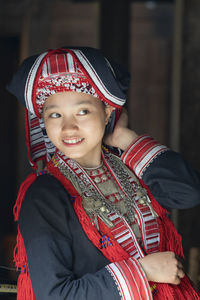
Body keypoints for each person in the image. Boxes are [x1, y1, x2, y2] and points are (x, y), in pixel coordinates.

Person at [7, 47, 200, 300]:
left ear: (107, 111)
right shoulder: (44, 194)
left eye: (83, 111)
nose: (68, 127)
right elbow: (55, 294)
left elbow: (188, 192)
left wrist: (126, 138)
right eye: (55, 115)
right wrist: (143, 271)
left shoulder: (131, 166)